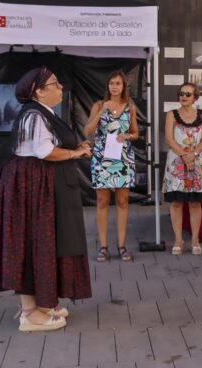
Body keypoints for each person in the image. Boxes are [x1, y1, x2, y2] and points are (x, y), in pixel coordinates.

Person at [0, 67, 92, 332]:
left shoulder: (43, 114)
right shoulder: (33, 115)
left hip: (36, 184)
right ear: (38, 91)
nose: (61, 87)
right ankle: (30, 313)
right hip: (29, 187)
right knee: (31, 242)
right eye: (55, 84)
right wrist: (75, 154)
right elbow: (45, 151)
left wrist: (76, 150)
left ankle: (42, 304)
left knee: (43, 241)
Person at [84, 71, 139, 262]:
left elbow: (136, 133)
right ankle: (103, 246)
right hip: (102, 156)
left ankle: (122, 245)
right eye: (111, 83)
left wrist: (128, 136)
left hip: (123, 157)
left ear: (124, 86)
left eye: (118, 83)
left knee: (123, 202)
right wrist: (101, 112)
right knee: (102, 202)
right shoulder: (98, 105)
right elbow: (87, 130)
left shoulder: (130, 107)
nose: (114, 86)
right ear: (107, 86)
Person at [162, 82, 202, 255]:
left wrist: (195, 153)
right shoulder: (171, 114)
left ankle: (195, 240)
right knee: (176, 202)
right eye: (181, 93)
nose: (183, 96)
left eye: (188, 94)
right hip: (177, 162)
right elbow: (169, 138)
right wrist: (184, 155)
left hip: (196, 162)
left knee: (195, 202)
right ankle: (178, 239)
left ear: (195, 97)